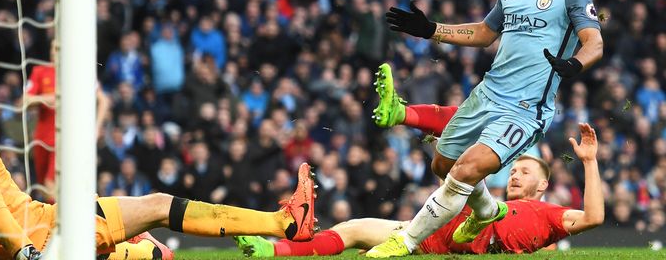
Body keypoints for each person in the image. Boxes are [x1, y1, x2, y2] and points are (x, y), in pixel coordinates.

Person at [0, 51, 316, 260]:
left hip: (8, 249)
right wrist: (26, 252)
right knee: (155, 205)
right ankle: (283, 222)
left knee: (151, 252)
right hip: (45, 235)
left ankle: (143, 248)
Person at [366, 0, 604, 257]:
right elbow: (483, 32)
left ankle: (405, 241)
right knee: (441, 165)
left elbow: (594, 42)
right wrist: (431, 29)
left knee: (466, 169)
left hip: (524, 109)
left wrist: (574, 64)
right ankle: (488, 211)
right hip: (487, 94)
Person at [234, 122, 603, 256]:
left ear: (544, 184)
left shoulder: (549, 214)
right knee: (350, 230)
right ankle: (272, 250)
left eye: (524, 171)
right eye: (514, 169)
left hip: (438, 246)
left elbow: (594, 217)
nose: (515, 176)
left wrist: (588, 161)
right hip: (425, 233)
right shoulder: (487, 193)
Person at [23, 40, 58, 199]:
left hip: (63, 139)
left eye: (58, 48)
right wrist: (46, 98)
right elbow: (25, 100)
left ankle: (65, 222)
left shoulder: (77, 75)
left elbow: (101, 100)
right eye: (53, 48)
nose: (54, 51)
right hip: (42, 138)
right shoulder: (40, 71)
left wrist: (96, 127)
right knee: (45, 186)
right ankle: (54, 220)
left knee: (51, 183)